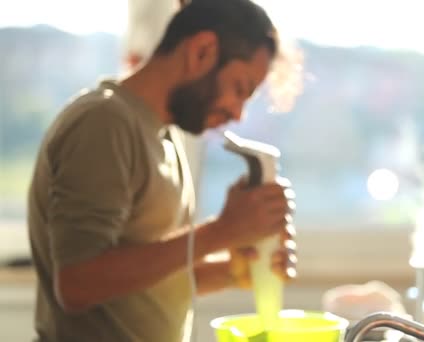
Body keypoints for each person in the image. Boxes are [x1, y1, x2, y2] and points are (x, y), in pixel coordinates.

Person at [27, 1, 297, 341]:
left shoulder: (163, 134)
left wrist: (233, 270)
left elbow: (146, 281)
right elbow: (78, 283)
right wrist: (221, 231)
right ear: (202, 51)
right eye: (240, 89)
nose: (238, 113)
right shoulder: (103, 122)